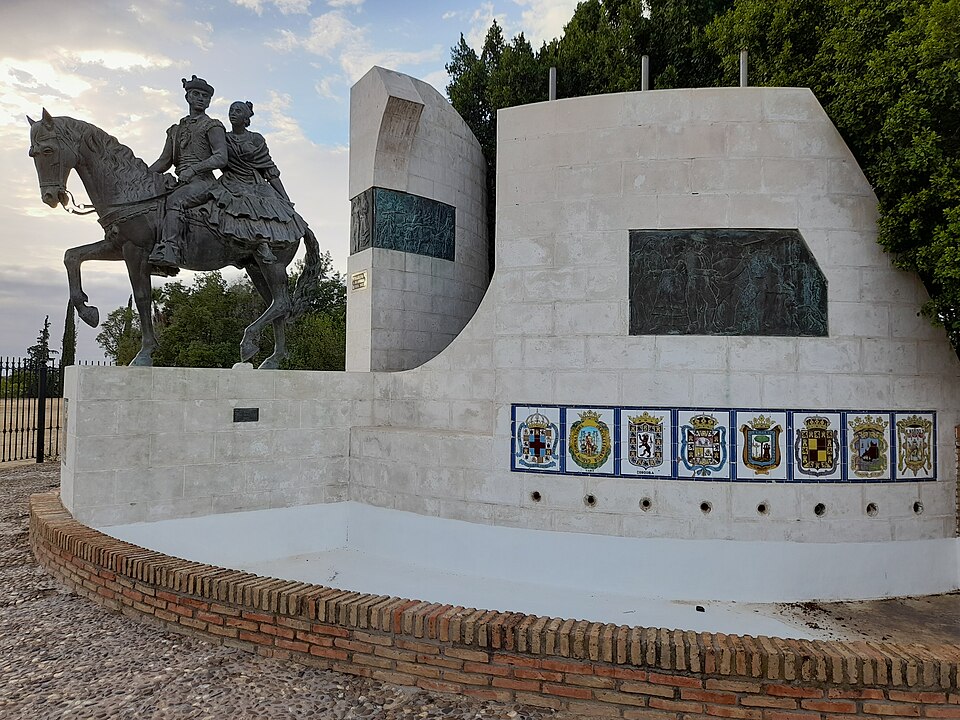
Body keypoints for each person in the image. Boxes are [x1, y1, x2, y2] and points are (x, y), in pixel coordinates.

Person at [208, 100, 306, 263]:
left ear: (246, 118)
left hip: (255, 182)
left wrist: (285, 198)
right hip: (232, 180)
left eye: (238, 111)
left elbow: (269, 170)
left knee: (265, 206)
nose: (233, 113)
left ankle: (263, 243)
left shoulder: (256, 139)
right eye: (231, 110)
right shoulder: (223, 138)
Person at [148, 75, 228, 274]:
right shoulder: (175, 130)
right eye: (196, 94)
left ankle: (169, 251)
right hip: (182, 181)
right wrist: (143, 176)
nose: (201, 99)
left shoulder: (213, 126)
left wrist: (194, 169)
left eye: (205, 96)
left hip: (204, 181)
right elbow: (164, 161)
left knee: (175, 201)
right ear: (188, 97)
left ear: (209, 101)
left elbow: (220, 158)